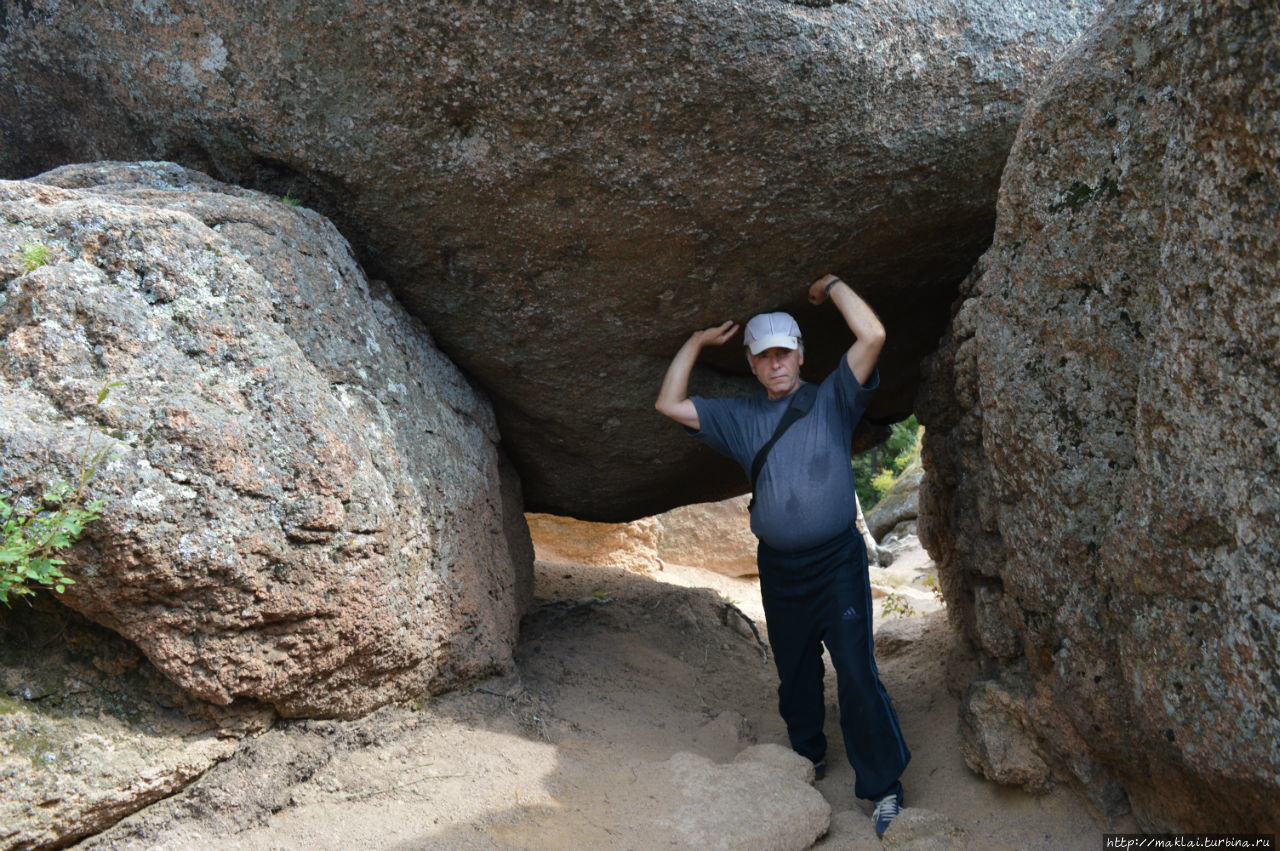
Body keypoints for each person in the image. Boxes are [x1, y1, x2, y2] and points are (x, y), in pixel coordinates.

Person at [654, 273, 910, 837]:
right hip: (781, 569)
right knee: (794, 670)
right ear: (751, 364)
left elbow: (872, 335)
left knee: (856, 671)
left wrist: (833, 285)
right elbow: (668, 402)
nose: (775, 365)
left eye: (784, 354)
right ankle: (807, 755)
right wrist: (696, 343)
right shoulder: (741, 418)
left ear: (800, 355)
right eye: (764, 356)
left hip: (837, 563)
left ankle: (884, 786)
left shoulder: (834, 399)